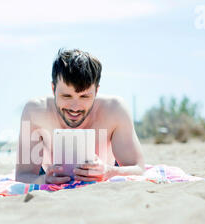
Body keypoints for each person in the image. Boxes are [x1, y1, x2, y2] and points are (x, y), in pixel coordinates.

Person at [15, 48, 145, 185]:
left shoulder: (115, 109)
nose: (75, 107)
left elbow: (139, 169)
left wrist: (109, 172)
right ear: (53, 89)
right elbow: (23, 175)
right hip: (48, 174)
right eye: (66, 96)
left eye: (84, 96)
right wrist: (43, 179)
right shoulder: (35, 111)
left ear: (96, 91)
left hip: (106, 170)